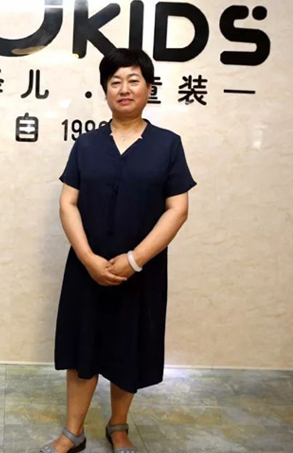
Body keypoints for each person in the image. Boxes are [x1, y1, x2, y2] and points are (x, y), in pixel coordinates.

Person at [39, 48, 197, 453]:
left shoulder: (168, 145)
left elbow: (178, 209)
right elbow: (67, 203)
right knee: (83, 349)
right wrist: (88, 258)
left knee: (130, 347)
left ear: (149, 87)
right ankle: (73, 432)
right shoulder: (87, 144)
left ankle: (119, 426)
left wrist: (134, 260)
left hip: (141, 272)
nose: (124, 89)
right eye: (115, 82)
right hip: (87, 268)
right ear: (105, 90)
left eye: (133, 80)